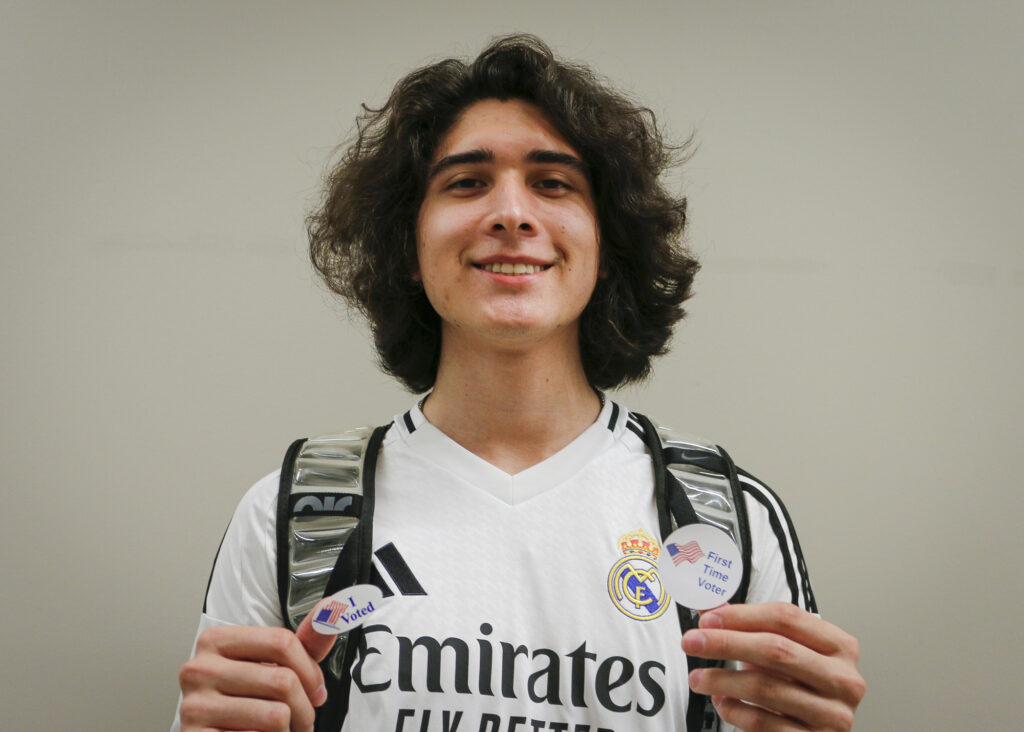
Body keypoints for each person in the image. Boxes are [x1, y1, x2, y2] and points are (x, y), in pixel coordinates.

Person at [175, 34, 864, 732]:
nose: (511, 213)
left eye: (553, 183)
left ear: (606, 245)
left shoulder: (724, 518)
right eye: (467, 182)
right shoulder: (293, 515)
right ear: (408, 247)